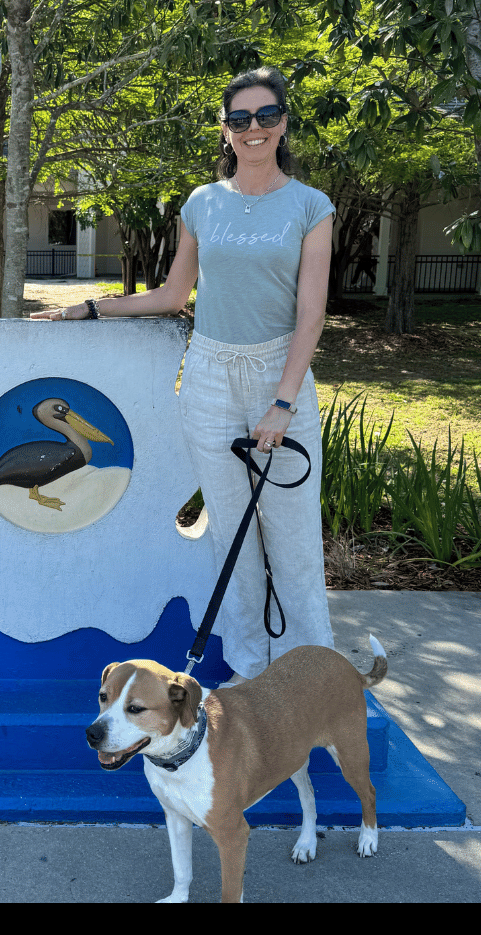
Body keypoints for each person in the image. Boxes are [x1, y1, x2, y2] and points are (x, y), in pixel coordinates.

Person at [31, 67, 334, 682]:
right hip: (209, 377)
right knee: (231, 538)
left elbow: (311, 314)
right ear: (225, 130)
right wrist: (92, 307)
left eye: (266, 116)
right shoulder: (202, 203)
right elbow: (173, 295)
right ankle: (250, 672)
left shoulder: (310, 206)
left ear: (283, 124)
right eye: (240, 119)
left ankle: (312, 679)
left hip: (279, 377)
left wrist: (283, 402)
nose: (253, 129)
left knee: (294, 538)